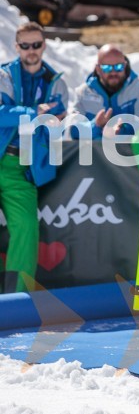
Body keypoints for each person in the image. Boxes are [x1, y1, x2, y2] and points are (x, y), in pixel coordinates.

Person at [0, 22, 68, 293]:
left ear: (44, 45)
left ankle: (14, 297)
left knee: (26, 228)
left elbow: (57, 115)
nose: (31, 50)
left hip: (21, 167)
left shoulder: (56, 80)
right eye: (25, 45)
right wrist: (32, 112)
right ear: (17, 47)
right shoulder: (4, 74)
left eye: (36, 45)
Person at [70, 44, 139, 138]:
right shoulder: (83, 93)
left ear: (125, 65)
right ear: (98, 69)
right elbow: (73, 131)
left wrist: (121, 131)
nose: (113, 72)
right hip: (93, 151)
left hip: (130, 151)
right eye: (106, 68)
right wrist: (96, 125)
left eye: (118, 67)